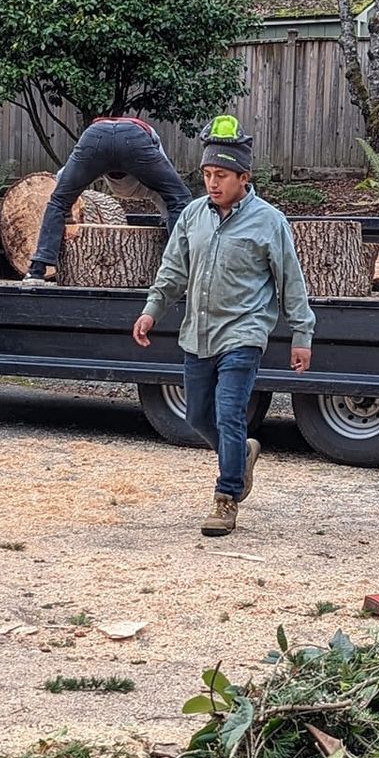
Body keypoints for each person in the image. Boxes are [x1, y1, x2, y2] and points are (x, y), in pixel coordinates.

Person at [132, 118, 314, 537]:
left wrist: (301, 335)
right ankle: (240, 456)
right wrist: (151, 310)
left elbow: (291, 281)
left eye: (222, 176)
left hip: (244, 334)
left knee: (230, 412)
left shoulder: (269, 222)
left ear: (243, 178)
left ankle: (226, 496)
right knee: (197, 415)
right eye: (208, 175)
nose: (212, 183)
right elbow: (173, 271)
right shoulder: (193, 216)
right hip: (198, 333)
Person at [24, 115, 193, 285]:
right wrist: (167, 218)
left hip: (95, 136)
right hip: (135, 138)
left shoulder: (95, 140)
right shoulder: (151, 136)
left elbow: (62, 179)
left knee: (58, 202)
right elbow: (172, 195)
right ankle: (182, 270)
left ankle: (36, 271)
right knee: (180, 198)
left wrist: (66, 215)